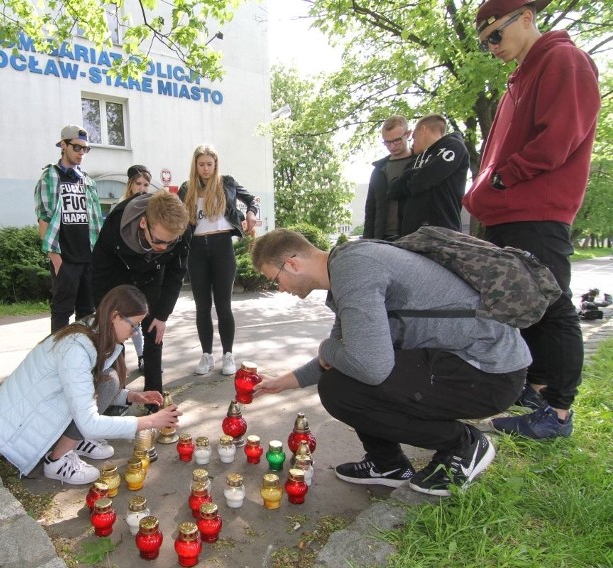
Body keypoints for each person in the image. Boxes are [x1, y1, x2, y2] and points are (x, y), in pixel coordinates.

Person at [250, 229, 530, 496]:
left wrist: (327, 349)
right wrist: (281, 383)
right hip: (458, 365)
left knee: (342, 386)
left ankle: (463, 445)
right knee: (343, 378)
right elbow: (338, 355)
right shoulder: (347, 267)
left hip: (488, 372)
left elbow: (369, 366)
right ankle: (388, 464)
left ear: (291, 264)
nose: (280, 288)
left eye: (275, 279)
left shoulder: (353, 269)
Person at [465, 0, 600, 438]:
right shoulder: (518, 79)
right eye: (485, 44)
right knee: (528, 304)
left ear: (526, 17)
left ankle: (557, 414)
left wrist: (503, 179)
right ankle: (537, 391)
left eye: (496, 36)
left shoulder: (564, 58)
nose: (492, 47)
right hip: (509, 209)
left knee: (553, 305)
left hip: (537, 207)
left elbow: (559, 137)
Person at [0, 285, 183, 484]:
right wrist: (152, 421)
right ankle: (57, 460)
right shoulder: (75, 348)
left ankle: (75, 440)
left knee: (110, 379)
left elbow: (87, 387)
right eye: (134, 324)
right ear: (115, 316)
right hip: (13, 429)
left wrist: (131, 396)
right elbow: (89, 420)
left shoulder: (95, 331)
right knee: (108, 383)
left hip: (39, 409)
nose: (136, 332)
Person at [91, 191, 191, 405]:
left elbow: (176, 275)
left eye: (169, 243)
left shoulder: (182, 231)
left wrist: (162, 315)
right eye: (158, 241)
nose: (163, 248)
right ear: (144, 222)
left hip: (153, 276)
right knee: (114, 334)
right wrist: (104, 312)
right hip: (118, 275)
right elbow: (98, 270)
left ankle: (153, 398)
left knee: (154, 332)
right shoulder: (117, 224)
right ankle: (115, 397)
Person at [178, 144, 258, 376]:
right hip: (196, 249)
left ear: (215, 165)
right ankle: (206, 355)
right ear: (195, 165)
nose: (205, 169)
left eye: (209, 164)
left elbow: (251, 199)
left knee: (224, 306)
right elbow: (176, 214)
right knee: (202, 306)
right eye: (201, 164)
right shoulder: (186, 189)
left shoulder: (226, 182)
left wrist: (251, 214)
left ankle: (228, 355)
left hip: (222, 246)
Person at [35, 125, 103, 333]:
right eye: (77, 148)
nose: (81, 153)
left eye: (85, 149)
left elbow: (95, 220)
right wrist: (54, 257)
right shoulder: (50, 177)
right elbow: (44, 219)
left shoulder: (87, 180)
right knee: (62, 311)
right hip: (65, 259)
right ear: (63, 145)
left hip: (87, 257)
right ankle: (57, 358)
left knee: (87, 311)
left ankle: (83, 358)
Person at [387, 114, 469, 236]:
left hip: (442, 231)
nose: (412, 144)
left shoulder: (453, 145)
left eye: (413, 138)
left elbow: (428, 176)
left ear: (422, 130)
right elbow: (393, 191)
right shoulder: (414, 161)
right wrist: (412, 175)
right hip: (411, 234)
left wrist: (410, 180)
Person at [119, 164, 153, 371]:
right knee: (127, 318)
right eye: (138, 184)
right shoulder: (121, 208)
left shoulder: (151, 208)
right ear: (130, 185)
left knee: (143, 317)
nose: (142, 188)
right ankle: (119, 360)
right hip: (124, 270)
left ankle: (144, 356)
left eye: (146, 184)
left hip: (144, 271)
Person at [363, 116, 413, 240]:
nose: (392, 146)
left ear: (408, 134)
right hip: (382, 238)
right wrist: (367, 241)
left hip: (413, 237)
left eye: (396, 140)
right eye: (387, 142)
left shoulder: (420, 163)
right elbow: (370, 211)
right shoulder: (379, 170)